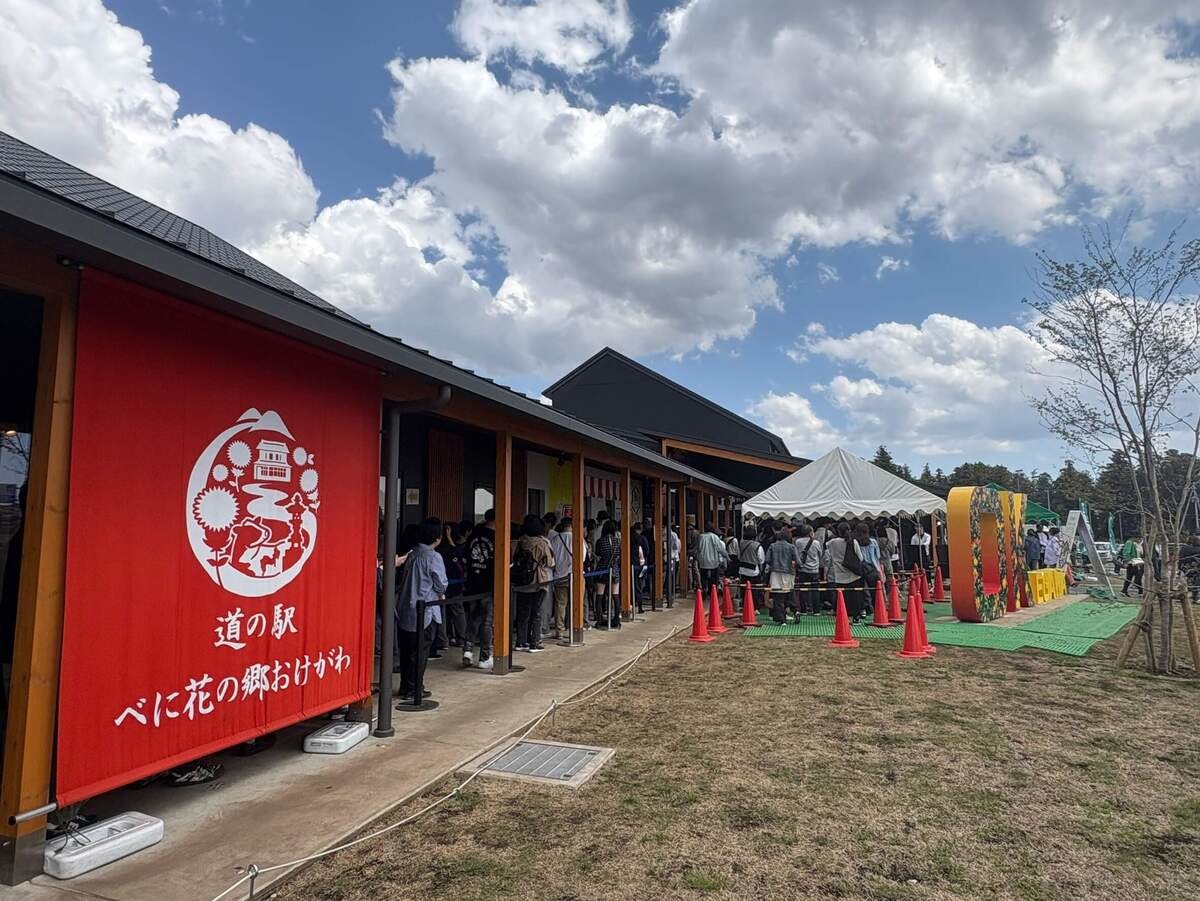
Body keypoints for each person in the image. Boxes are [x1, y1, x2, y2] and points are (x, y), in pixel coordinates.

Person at [396, 517, 447, 702]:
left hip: (405, 608)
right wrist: (441, 592)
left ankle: (405, 686)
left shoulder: (412, 553)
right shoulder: (433, 557)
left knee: (406, 650)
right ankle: (415, 689)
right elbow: (441, 584)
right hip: (424, 610)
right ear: (437, 537)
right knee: (420, 651)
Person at [512, 514, 554, 653]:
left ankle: (520, 642)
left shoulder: (521, 541)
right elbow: (550, 562)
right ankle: (534, 642)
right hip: (538, 581)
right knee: (536, 612)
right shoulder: (542, 543)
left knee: (523, 613)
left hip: (522, 582)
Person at [462, 512, 496, 669]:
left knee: (473, 618)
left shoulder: (473, 536)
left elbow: (465, 559)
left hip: (472, 583)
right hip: (489, 585)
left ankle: (468, 650)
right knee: (487, 622)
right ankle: (484, 656)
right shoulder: (498, 538)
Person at [825, 522, 867, 623]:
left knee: (842, 598)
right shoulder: (854, 542)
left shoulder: (833, 543)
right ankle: (856, 617)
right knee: (855, 597)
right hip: (853, 574)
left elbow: (825, 546)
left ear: (838, 531)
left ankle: (843, 617)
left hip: (839, 575)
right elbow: (860, 558)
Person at [547, 515, 574, 637]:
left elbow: (551, 560)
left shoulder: (554, 540)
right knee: (574, 602)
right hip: (574, 576)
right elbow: (584, 557)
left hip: (559, 576)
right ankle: (574, 627)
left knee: (560, 604)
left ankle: (559, 630)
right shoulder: (576, 538)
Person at [765, 528, 799, 623]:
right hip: (788, 573)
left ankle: (782, 619)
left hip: (775, 573)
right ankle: (795, 611)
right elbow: (798, 561)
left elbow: (767, 559)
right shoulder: (791, 547)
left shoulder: (772, 546)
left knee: (778, 597)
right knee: (789, 594)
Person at [594, 518, 622, 627]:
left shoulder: (600, 541)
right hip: (614, 570)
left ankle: (600, 618)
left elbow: (598, 554)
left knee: (599, 595)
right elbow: (619, 555)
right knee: (615, 595)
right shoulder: (617, 541)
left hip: (602, 569)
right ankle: (616, 618)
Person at [795, 524, 823, 615]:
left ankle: (804, 609)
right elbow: (820, 554)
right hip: (814, 569)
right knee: (815, 590)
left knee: (803, 590)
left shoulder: (798, 542)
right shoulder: (816, 543)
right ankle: (816, 610)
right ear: (811, 532)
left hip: (802, 569)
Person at [695, 521, 728, 599]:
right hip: (713, 562)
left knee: (703, 577)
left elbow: (698, 549)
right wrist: (726, 556)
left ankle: (704, 591)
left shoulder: (701, 537)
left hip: (703, 561)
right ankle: (712, 592)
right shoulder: (715, 537)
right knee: (713, 579)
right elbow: (720, 549)